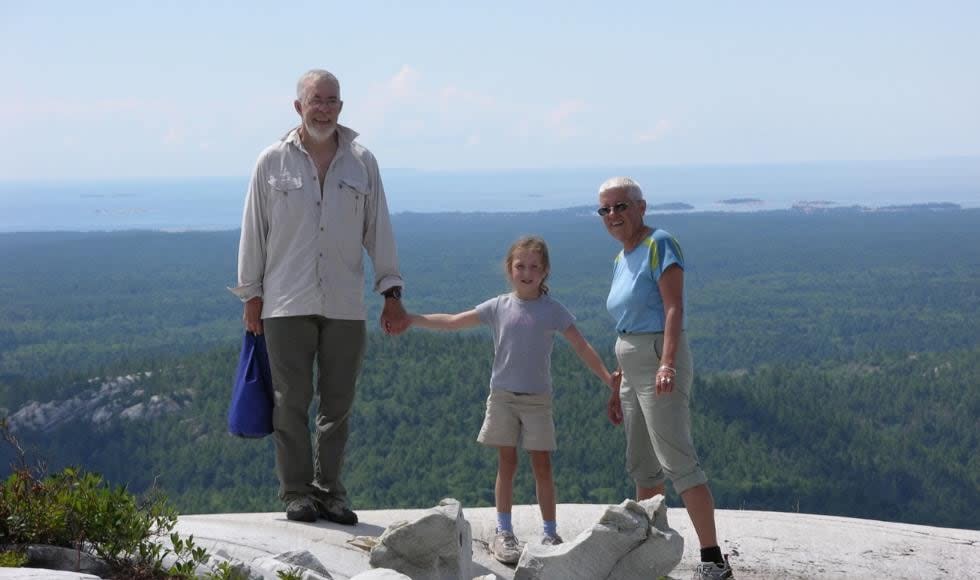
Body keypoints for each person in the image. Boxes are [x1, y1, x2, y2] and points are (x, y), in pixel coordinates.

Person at [231, 69, 409, 525]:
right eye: (316, 100)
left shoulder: (362, 162)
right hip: (286, 302)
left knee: (338, 404)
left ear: (341, 107)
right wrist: (251, 295)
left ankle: (330, 491)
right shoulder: (272, 161)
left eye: (332, 100)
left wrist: (391, 290)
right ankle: (296, 493)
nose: (324, 108)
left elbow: (379, 228)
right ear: (299, 107)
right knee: (290, 400)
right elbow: (254, 231)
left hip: (346, 304)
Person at [408, 236, 618, 564]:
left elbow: (582, 346)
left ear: (545, 271)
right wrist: (412, 319)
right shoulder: (498, 306)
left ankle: (550, 532)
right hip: (503, 397)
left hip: (537, 400)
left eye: (534, 266)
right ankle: (503, 531)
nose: (527, 272)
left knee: (542, 466)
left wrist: (608, 379)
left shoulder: (553, 310)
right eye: (520, 265)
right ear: (509, 269)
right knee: (506, 464)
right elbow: (452, 322)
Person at [598, 177, 735, 579]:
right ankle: (652, 558)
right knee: (642, 465)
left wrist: (668, 362)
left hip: (659, 354)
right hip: (631, 359)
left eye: (621, 206)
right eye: (605, 209)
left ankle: (712, 560)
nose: (612, 216)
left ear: (641, 207)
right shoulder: (622, 257)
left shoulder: (660, 243)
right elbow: (627, 320)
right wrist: (619, 380)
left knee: (677, 459)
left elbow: (674, 308)